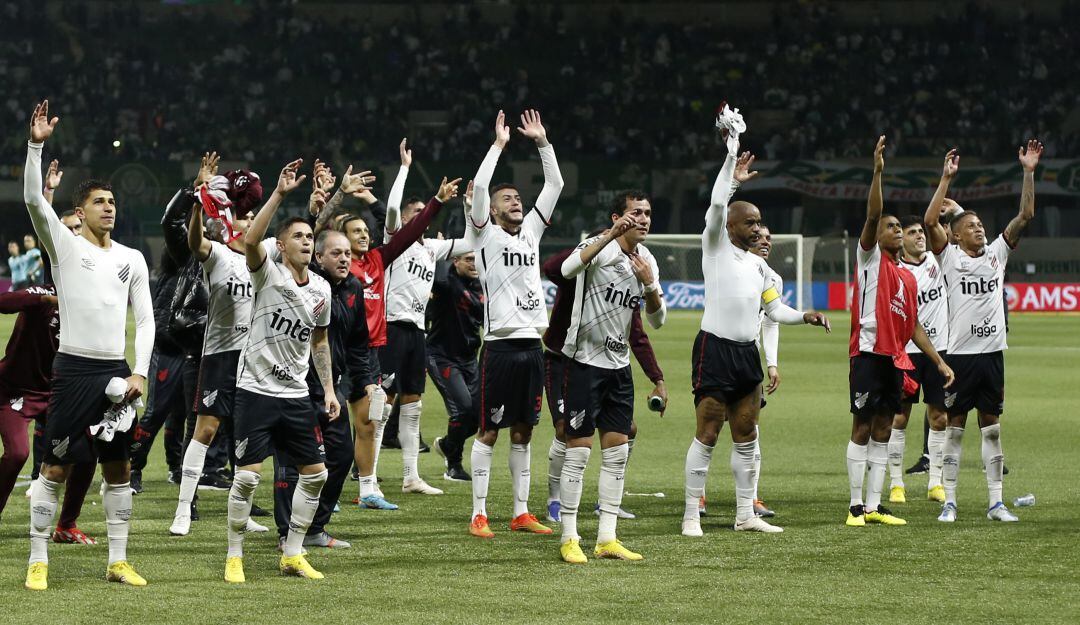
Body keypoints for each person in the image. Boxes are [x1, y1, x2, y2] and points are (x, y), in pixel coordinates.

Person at [23, 100, 154, 590]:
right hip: (74, 372)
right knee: (54, 466)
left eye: (113, 202)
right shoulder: (65, 247)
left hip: (116, 373)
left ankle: (117, 561)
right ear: (81, 212)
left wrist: (139, 371)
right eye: (101, 202)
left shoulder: (133, 258)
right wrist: (36, 145)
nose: (110, 207)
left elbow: (145, 319)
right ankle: (38, 561)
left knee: (118, 469)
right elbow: (35, 202)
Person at [682, 105, 830, 538]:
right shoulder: (713, 246)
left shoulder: (762, 269)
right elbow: (714, 202)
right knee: (708, 432)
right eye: (750, 222)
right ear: (730, 225)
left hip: (746, 354)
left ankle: (745, 513)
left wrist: (803, 315)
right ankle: (692, 513)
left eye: (760, 223)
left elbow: (772, 311)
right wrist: (730, 163)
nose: (757, 228)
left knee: (746, 434)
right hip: (714, 349)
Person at [223, 158, 338, 583]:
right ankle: (234, 554)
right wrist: (279, 194)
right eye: (299, 237)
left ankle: (292, 551)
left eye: (310, 237)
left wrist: (327, 389)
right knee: (249, 480)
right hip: (255, 390)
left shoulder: (322, 290)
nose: (307, 242)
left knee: (316, 474)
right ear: (282, 245)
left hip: (295, 396)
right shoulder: (266, 274)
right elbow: (251, 241)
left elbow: (319, 340)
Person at [923, 141, 1043, 523]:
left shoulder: (997, 254)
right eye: (971, 226)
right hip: (960, 356)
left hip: (992, 355)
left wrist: (1028, 171)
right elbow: (929, 223)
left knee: (991, 429)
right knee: (955, 429)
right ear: (955, 235)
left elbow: (1025, 214)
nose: (979, 229)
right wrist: (945, 179)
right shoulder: (949, 257)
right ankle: (951, 502)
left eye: (980, 225)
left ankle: (996, 503)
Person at [844, 136, 954, 529]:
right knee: (861, 427)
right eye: (890, 226)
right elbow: (873, 216)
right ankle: (855, 506)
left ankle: (874, 505)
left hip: (895, 358)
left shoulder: (907, 280)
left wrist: (939, 361)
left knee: (883, 428)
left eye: (895, 226)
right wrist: (877, 172)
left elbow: (914, 327)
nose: (892, 230)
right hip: (868, 355)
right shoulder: (870, 258)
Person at [463, 109, 564, 539]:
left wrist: (542, 142)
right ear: (491, 209)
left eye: (518, 199)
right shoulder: (485, 235)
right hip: (500, 348)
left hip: (531, 348)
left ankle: (521, 512)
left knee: (523, 432)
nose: (516, 202)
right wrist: (500, 145)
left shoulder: (532, 235)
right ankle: (479, 514)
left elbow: (555, 184)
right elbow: (482, 186)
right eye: (509, 200)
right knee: (489, 431)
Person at [551, 191, 667, 563]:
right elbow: (567, 270)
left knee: (616, 453)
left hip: (618, 368)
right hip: (583, 362)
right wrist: (609, 233)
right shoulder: (597, 247)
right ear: (619, 217)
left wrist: (649, 285)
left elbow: (657, 320)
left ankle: (606, 539)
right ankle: (569, 537)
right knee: (579, 452)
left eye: (648, 213)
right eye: (637, 213)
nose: (645, 219)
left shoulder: (647, 259)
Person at [340, 165, 458, 510]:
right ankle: (352, 477)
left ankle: (402, 477)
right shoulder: (340, 267)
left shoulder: (378, 259)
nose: (363, 236)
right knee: (362, 413)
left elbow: (416, 229)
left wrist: (443, 203)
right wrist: (404, 168)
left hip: (401, 338)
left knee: (400, 408)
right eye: (355, 232)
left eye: (365, 231)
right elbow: (392, 215)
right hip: (365, 342)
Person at [169, 154, 270, 537]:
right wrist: (198, 200)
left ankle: (242, 514)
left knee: (247, 438)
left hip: (254, 359)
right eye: (243, 218)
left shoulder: (267, 260)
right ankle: (182, 509)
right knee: (205, 431)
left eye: (253, 219)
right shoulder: (221, 255)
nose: (248, 223)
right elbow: (195, 243)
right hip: (220, 356)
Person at [272, 225, 377, 550]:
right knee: (291, 462)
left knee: (341, 456)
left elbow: (359, 343)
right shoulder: (304, 282)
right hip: (294, 386)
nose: (345, 258)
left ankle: (316, 527)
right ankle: (286, 532)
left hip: (332, 390)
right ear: (318, 257)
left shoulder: (353, 289)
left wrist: (362, 383)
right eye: (336, 253)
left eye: (347, 253)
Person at [380, 139, 472, 495]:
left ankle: (410, 476)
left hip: (417, 331)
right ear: (405, 219)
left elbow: (470, 242)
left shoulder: (431, 249)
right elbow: (391, 207)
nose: (421, 216)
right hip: (390, 327)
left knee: (413, 404)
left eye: (424, 211)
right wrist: (403, 168)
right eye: (415, 212)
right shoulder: (395, 239)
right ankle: (367, 476)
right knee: (382, 406)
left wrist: (466, 205)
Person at [887, 214, 950, 505]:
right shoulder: (896, 271)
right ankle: (896, 483)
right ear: (903, 240)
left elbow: (941, 232)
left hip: (940, 350)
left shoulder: (937, 261)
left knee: (940, 417)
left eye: (920, 231)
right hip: (907, 354)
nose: (919, 236)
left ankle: (935, 483)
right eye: (912, 233)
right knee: (900, 417)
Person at [427, 249, 484, 482]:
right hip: (442, 357)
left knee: (480, 417)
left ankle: (447, 444)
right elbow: (439, 278)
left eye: (476, 259)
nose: (474, 264)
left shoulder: (481, 285)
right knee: (462, 409)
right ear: (455, 261)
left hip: (470, 358)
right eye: (468, 259)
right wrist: (440, 252)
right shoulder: (446, 283)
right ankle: (454, 465)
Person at [748, 225, 780, 518]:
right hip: (718, 355)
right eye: (758, 237)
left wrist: (771, 362)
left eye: (769, 238)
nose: (765, 242)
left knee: (751, 429)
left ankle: (752, 498)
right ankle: (699, 498)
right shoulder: (730, 267)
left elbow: (771, 321)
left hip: (749, 360)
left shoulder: (773, 279)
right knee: (711, 429)